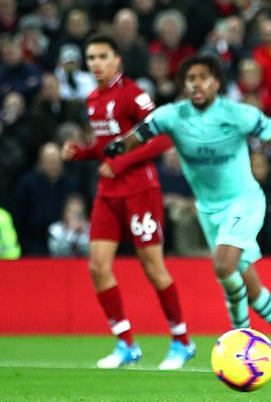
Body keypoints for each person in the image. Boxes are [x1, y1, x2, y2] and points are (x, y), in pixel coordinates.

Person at [103, 54, 271, 374]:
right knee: (249, 288)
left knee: (224, 264)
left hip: (244, 201)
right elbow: (140, 133)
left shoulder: (236, 114)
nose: (196, 84)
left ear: (216, 82)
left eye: (203, 77)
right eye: (190, 79)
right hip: (208, 211)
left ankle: (240, 341)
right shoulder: (173, 115)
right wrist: (119, 146)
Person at [61, 34, 194, 370]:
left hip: (139, 191)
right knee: (97, 266)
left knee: (153, 267)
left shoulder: (134, 95)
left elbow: (162, 137)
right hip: (108, 193)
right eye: (90, 58)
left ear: (117, 59)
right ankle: (126, 344)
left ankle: (182, 341)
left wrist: (118, 163)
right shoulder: (92, 100)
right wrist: (83, 153)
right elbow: (108, 146)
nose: (95, 63)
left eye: (102, 56)